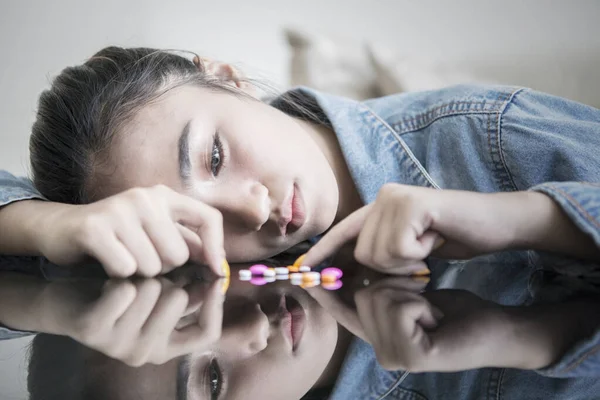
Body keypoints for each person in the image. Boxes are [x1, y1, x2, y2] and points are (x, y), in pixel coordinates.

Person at [0, 46, 599, 399]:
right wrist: (48, 225)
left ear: (226, 77)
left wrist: (527, 220)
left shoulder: (488, 133)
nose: (253, 210)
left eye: (213, 157)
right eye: (209, 385)